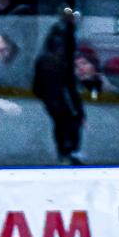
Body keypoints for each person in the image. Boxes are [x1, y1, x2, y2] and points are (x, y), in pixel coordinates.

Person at [33, 10, 84, 165]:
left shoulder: (62, 34)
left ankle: (66, 151)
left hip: (54, 85)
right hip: (54, 85)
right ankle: (67, 151)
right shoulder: (62, 34)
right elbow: (57, 62)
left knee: (65, 119)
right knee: (67, 118)